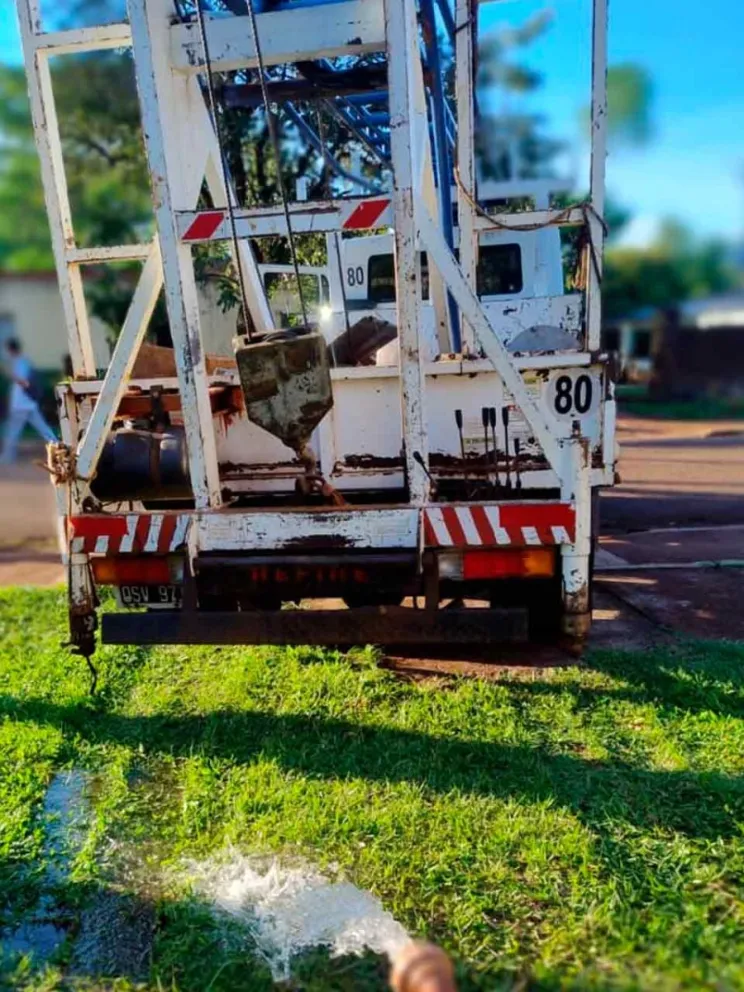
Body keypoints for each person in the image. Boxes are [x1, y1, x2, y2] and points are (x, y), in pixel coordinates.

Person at [0, 338, 56, 464]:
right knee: (43, 428)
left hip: (22, 404)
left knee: (13, 431)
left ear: (11, 350)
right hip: (26, 404)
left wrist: (9, 374)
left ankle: (7, 457)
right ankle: (58, 447)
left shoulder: (21, 363)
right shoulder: (21, 361)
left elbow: (24, 383)